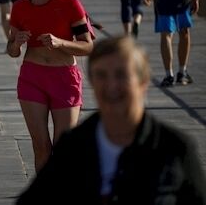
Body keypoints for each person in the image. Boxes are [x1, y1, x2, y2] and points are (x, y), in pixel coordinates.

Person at [17, 36, 206, 204]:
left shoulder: (175, 148)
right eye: (101, 75)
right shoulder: (73, 147)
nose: (111, 86)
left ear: (143, 81)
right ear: (91, 81)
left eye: (121, 75)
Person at [7, 0, 94, 172]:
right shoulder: (20, 7)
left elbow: (88, 46)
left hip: (64, 79)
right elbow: (12, 51)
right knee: (41, 146)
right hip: (32, 78)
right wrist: (16, 43)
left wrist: (61, 43)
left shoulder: (71, 4)